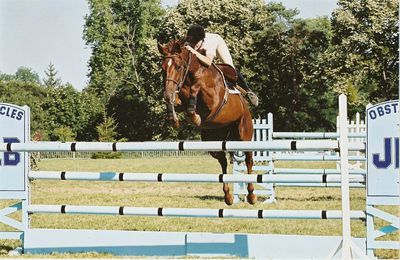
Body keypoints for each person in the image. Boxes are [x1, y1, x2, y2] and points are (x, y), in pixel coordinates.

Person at [184, 24, 259, 111]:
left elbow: (208, 62)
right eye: (192, 43)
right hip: (204, 50)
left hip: (218, 45)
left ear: (201, 40)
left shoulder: (210, 42)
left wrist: (193, 51)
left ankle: (247, 90)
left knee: (229, 67)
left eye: (196, 43)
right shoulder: (189, 41)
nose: (194, 46)